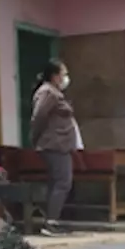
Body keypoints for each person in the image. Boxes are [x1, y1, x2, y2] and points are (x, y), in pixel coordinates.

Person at [30, 58, 80, 235]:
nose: (66, 78)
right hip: (54, 145)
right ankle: (50, 223)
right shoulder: (48, 92)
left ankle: (51, 221)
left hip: (59, 145)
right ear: (54, 76)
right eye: (64, 74)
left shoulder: (53, 92)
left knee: (57, 182)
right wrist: (35, 140)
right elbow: (38, 117)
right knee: (63, 182)